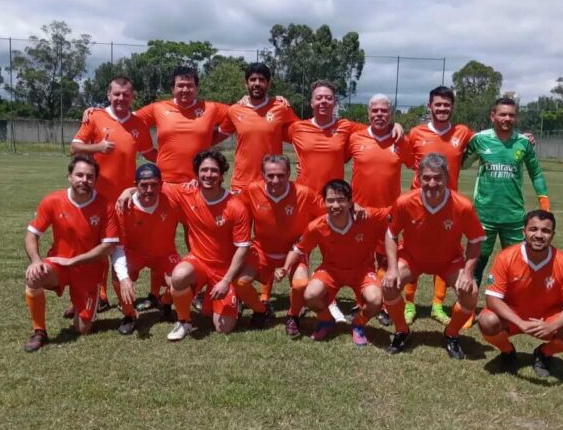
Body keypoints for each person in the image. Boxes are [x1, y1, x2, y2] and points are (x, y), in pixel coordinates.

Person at [286, 81, 405, 323]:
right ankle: (296, 310)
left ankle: (359, 300)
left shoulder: (347, 128)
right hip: (304, 201)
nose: (323, 102)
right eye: (318, 98)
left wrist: (398, 124)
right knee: (304, 253)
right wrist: (279, 100)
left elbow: (378, 126)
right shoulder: (296, 127)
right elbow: (270, 125)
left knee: (348, 253)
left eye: (328, 98)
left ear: (334, 103)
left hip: (336, 202)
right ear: (311, 102)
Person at [383, 153, 486, 359]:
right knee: (388, 285)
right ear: (419, 178)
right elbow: (391, 235)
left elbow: (476, 240)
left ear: (447, 178)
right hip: (412, 258)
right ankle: (402, 331)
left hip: (448, 260)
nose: (432, 183)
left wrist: (467, 273)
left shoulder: (462, 205)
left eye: (437, 177)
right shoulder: (404, 202)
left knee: (471, 293)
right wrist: (393, 268)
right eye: (426, 177)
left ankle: (451, 334)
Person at [71, 76, 155, 310]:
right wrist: (98, 147)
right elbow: (74, 146)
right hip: (95, 197)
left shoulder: (138, 124)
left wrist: (177, 166)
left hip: (126, 198)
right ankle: (100, 294)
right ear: (108, 95)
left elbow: (150, 153)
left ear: (132, 97)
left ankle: (121, 293)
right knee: (96, 246)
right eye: (116, 94)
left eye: (125, 94)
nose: (121, 98)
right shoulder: (95, 116)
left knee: (120, 246)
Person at [23, 154, 119, 351]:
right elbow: (32, 234)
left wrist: (74, 261)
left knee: (83, 329)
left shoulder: (106, 205)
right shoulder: (52, 200)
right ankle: (39, 331)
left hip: (89, 270)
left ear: (95, 180)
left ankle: (79, 305)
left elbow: (108, 247)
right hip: (59, 263)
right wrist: (35, 260)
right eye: (79, 175)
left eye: (90, 177)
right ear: (69, 176)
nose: (84, 180)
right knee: (34, 277)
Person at [478, 209, 563, 377]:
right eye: (533, 229)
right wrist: (520, 322)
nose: (539, 235)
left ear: (552, 235)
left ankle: (544, 353)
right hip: (514, 317)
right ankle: (508, 352)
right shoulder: (506, 257)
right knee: (487, 320)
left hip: (549, 319)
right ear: (524, 232)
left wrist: (551, 326)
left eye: (545, 230)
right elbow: (492, 299)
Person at [285, 179, 391, 346]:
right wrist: (285, 268)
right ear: (324, 202)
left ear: (350, 202)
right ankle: (326, 319)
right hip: (331, 271)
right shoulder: (316, 226)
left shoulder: (366, 216)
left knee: (376, 300)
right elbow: (299, 249)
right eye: (330, 200)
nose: (335, 205)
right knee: (310, 295)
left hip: (362, 270)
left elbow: (396, 210)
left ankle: (358, 324)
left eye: (341, 200)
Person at [166, 149, 257, 339]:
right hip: (198, 261)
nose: (209, 175)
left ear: (222, 174)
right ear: (197, 173)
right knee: (178, 276)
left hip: (225, 269)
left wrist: (226, 281)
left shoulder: (235, 206)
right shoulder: (186, 192)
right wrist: (129, 190)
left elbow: (242, 247)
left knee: (223, 328)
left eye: (214, 170)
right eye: (204, 170)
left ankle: (231, 298)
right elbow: (156, 186)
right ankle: (184, 321)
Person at [405, 86, 474, 326]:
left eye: (446, 104)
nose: (442, 108)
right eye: (438, 104)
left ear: (452, 107)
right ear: (430, 105)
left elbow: (488, 140)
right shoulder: (415, 133)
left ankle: (437, 305)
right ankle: (409, 304)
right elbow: (403, 156)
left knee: (446, 254)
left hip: (449, 206)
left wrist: (522, 136)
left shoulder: (462, 132)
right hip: (419, 206)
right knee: (414, 251)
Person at [463, 97, 550, 286]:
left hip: (514, 216)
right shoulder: (480, 139)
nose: (507, 118)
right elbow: (461, 164)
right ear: (492, 116)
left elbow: (536, 173)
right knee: (477, 262)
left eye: (511, 115)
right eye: (503, 114)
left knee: (517, 264)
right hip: (484, 214)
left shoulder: (523, 142)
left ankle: (514, 307)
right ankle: (468, 309)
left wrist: (544, 203)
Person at [238, 154, 324, 336]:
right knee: (240, 283)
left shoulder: (304, 193)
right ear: (262, 174)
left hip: (294, 250)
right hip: (262, 250)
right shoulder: (252, 190)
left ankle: (293, 316)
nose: (275, 180)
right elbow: (236, 213)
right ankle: (261, 310)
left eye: (281, 175)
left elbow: (325, 215)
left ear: (289, 174)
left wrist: (352, 207)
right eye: (270, 175)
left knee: (301, 285)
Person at [347, 94, 414, 325]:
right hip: (360, 211)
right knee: (360, 259)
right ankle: (361, 302)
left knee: (385, 260)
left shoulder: (399, 140)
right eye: (375, 110)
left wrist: (400, 130)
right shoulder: (355, 138)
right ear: (368, 113)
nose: (379, 115)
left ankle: (385, 303)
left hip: (389, 212)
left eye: (384, 111)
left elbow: (415, 164)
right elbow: (334, 160)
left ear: (391, 114)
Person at [110, 162, 184, 335]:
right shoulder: (123, 207)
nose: (149, 190)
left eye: (154, 185)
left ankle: (165, 301)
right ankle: (129, 314)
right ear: (135, 186)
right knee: (116, 276)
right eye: (144, 185)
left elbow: (196, 193)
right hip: (134, 255)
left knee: (182, 280)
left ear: (162, 185)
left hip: (164, 253)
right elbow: (118, 247)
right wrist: (123, 278)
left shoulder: (172, 199)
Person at [134, 66, 229, 185]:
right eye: (180, 85)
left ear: (196, 88)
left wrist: (213, 139)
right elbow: (129, 121)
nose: (185, 89)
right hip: (166, 181)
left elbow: (238, 115)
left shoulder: (211, 108)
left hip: (199, 181)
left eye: (190, 85)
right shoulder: (158, 108)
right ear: (172, 88)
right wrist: (146, 150)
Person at [217, 62, 299, 193]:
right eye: (253, 79)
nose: (257, 83)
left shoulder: (281, 108)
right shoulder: (234, 110)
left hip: (272, 181)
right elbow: (219, 134)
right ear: (246, 83)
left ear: (268, 83)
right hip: (242, 183)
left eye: (261, 80)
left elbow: (301, 135)